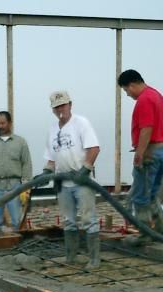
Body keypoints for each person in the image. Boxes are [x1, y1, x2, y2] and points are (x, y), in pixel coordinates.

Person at [43, 91, 101, 269]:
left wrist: (85, 169)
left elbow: (94, 148)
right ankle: (71, 257)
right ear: (53, 110)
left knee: (88, 219)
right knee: (68, 221)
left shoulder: (81, 123)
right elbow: (51, 158)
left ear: (70, 105)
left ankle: (94, 259)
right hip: (63, 183)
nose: (60, 109)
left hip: (81, 181)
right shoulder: (52, 130)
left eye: (63, 105)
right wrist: (46, 172)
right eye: (57, 107)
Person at [118, 69, 163, 241]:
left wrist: (139, 154)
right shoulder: (156, 95)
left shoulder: (144, 99)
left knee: (140, 196)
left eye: (126, 90)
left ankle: (145, 234)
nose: (127, 94)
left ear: (132, 85)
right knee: (152, 194)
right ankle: (161, 229)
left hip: (151, 154)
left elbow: (146, 128)